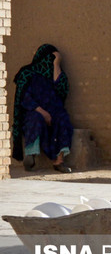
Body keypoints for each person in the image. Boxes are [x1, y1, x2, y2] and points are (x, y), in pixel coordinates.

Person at [12, 44, 74, 173]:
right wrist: (43, 112)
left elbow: (61, 89)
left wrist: (57, 64)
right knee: (34, 120)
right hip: (35, 110)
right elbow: (25, 98)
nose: (49, 62)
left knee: (63, 120)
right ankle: (31, 155)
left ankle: (59, 161)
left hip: (54, 111)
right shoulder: (28, 73)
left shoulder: (55, 73)